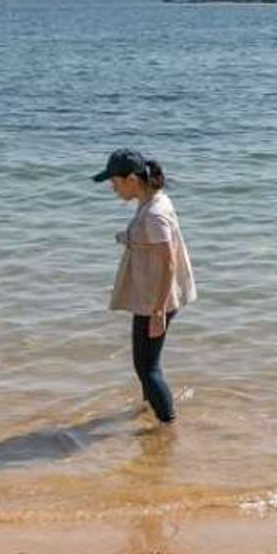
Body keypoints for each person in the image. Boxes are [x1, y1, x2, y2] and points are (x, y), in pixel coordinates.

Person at [96, 149, 197, 424]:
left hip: (156, 300)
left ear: (131, 179)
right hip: (152, 295)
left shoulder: (154, 214)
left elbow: (169, 264)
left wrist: (158, 311)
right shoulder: (152, 200)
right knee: (146, 365)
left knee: (147, 369)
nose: (112, 187)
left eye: (114, 182)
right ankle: (149, 413)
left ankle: (167, 425)